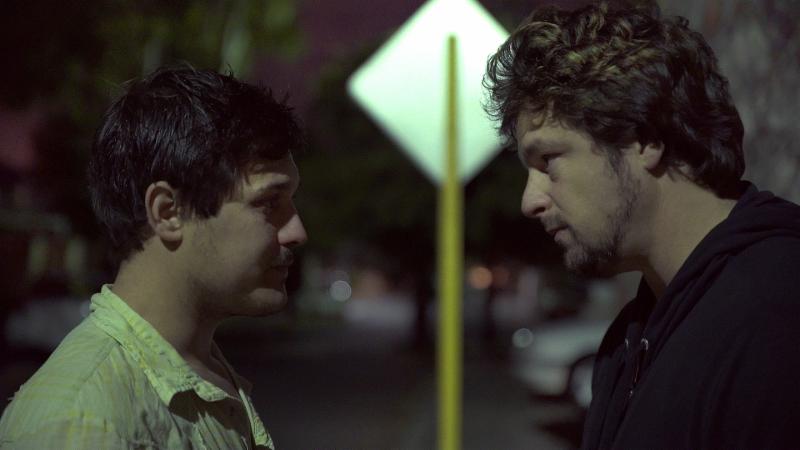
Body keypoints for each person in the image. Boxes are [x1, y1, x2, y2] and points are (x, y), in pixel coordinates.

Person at [484, 2, 800, 449]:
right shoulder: (632, 335)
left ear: (647, 138)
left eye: (548, 160)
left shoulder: (775, 319)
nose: (530, 201)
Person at [0, 65, 307, 449]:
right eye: (269, 203)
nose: (297, 232)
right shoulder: (82, 424)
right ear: (168, 212)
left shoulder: (201, 372)